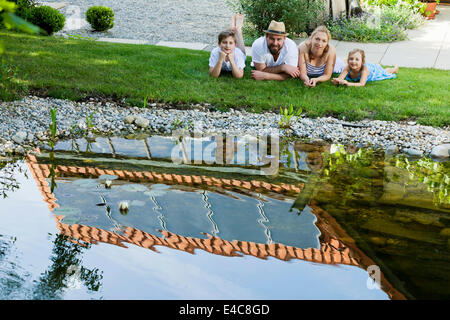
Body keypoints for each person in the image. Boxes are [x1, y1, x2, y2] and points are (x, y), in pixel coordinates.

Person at [332, 49, 399, 87]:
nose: (353, 61)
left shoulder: (364, 70)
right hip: (367, 67)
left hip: (372, 72)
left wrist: (348, 83)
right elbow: (340, 78)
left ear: (362, 62)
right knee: (384, 71)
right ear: (348, 60)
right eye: (351, 59)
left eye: (357, 59)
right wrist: (338, 81)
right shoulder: (347, 67)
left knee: (384, 72)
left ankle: (395, 69)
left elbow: (361, 84)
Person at [209, 14, 246, 78]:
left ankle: (237, 29)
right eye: (224, 42)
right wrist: (220, 60)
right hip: (230, 50)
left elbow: (239, 76)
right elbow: (213, 75)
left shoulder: (238, 53)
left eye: (230, 43)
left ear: (235, 45)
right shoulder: (215, 52)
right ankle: (233, 28)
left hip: (240, 52)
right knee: (230, 38)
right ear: (219, 44)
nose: (227, 46)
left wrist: (232, 60)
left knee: (238, 37)